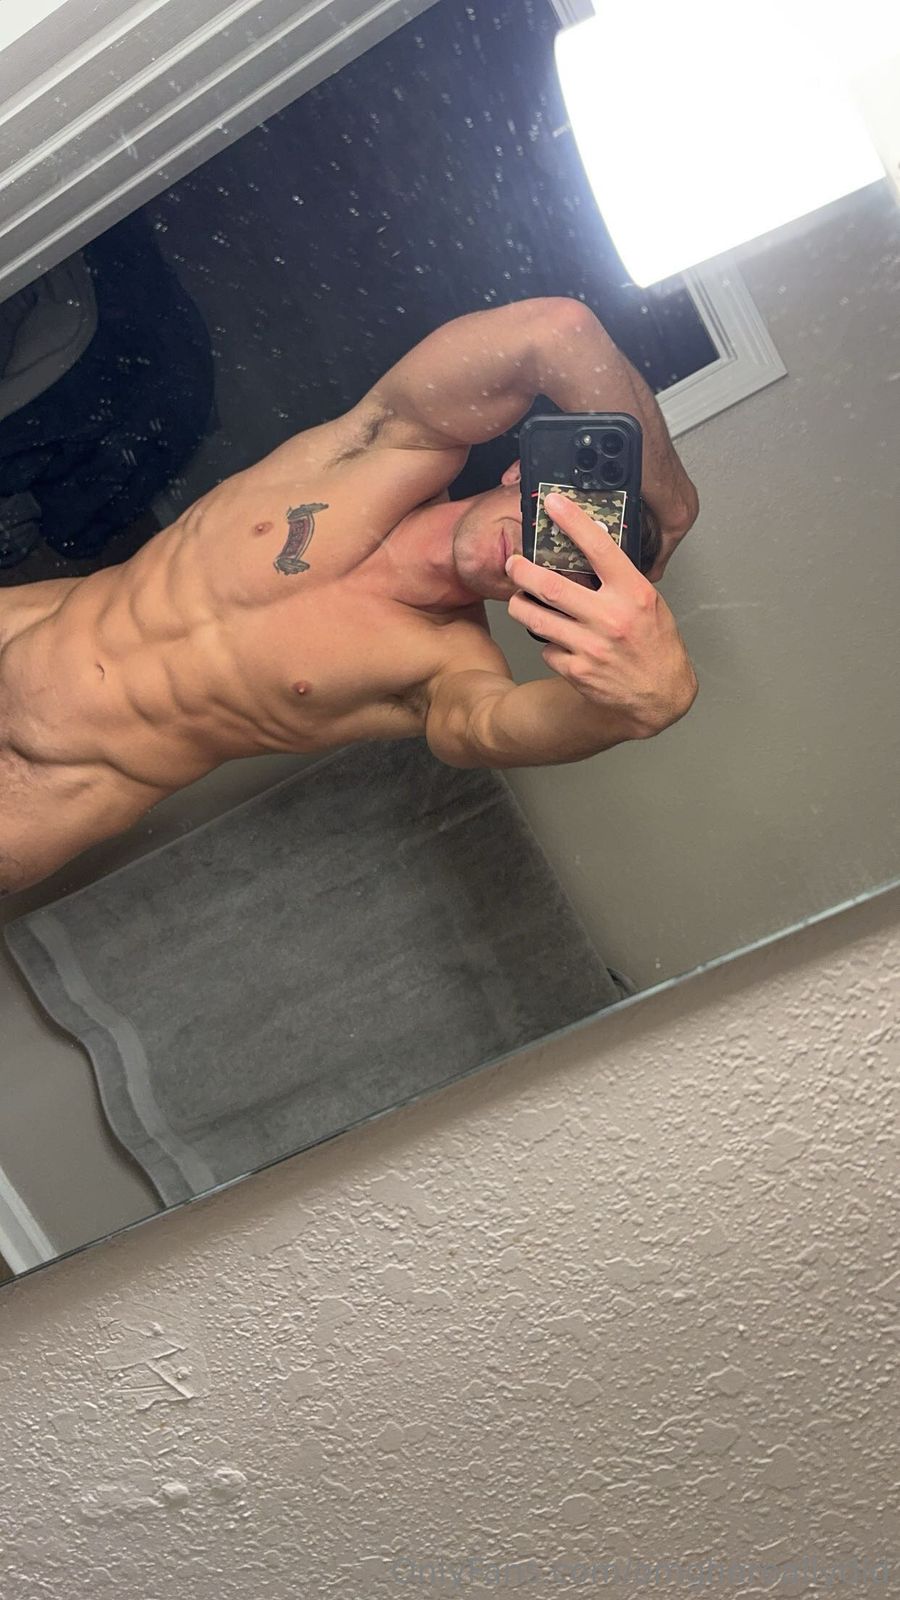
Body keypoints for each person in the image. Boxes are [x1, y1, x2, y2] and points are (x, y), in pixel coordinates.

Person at [0, 296, 699, 895]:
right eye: (560, 525)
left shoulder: (446, 665)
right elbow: (556, 330)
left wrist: (638, 708)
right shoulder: (385, 450)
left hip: (42, 790)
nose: (536, 553)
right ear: (523, 473)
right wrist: (670, 493)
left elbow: (489, 727)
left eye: (573, 568)